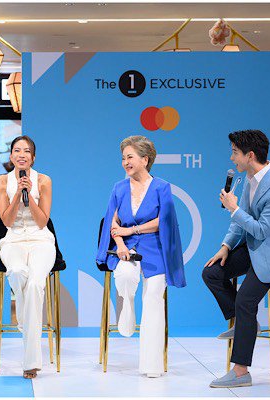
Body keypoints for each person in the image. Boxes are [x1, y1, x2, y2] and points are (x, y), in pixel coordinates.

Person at [202, 130, 270, 388]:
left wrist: (234, 208)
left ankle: (240, 373)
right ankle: (245, 323)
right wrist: (226, 246)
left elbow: (260, 229)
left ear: (250, 155)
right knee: (212, 272)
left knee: (246, 301)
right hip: (254, 248)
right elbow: (241, 222)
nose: (232, 158)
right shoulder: (250, 179)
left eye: (235, 152)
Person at [96, 135, 186, 378]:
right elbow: (112, 221)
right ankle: (127, 305)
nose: (125, 162)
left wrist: (132, 230)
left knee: (154, 295)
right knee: (125, 275)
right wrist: (119, 243)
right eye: (123, 158)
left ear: (145, 160)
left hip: (155, 248)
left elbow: (163, 221)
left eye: (130, 157)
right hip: (126, 247)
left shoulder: (161, 187)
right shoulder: (118, 188)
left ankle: (151, 365)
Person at [0, 135, 56, 379]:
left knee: (35, 285)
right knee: (18, 272)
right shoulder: (1, 182)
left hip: (41, 241)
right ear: (11, 156)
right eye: (17, 150)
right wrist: (17, 194)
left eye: (27, 151)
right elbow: (7, 221)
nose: (22, 155)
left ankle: (30, 363)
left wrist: (30, 193)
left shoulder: (44, 180)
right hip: (13, 240)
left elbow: (42, 222)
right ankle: (24, 318)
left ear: (33, 157)